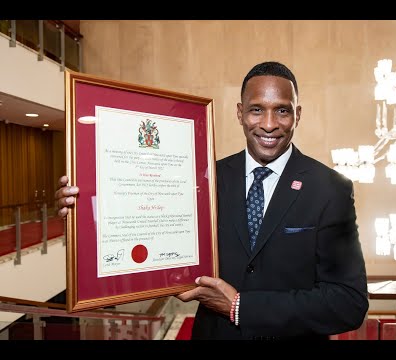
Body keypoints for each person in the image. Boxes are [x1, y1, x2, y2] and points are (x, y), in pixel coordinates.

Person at [56, 61, 369, 340]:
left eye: (282, 110)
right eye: (257, 109)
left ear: (297, 115)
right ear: (240, 113)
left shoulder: (330, 189)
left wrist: (239, 307)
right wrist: (83, 209)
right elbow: (144, 221)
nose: (269, 124)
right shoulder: (202, 178)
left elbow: (348, 303)